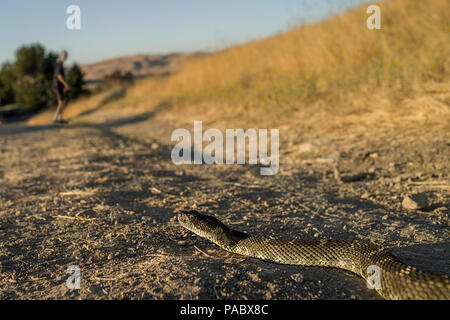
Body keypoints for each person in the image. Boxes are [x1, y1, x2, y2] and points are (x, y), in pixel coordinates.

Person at [52, 51, 70, 124]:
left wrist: (63, 86)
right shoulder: (59, 64)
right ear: (61, 56)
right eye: (64, 55)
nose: (65, 57)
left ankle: (60, 118)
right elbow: (59, 76)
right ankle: (55, 118)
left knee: (63, 101)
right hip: (57, 85)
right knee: (61, 102)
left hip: (59, 85)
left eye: (66, 55)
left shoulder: (61, 64)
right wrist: (65, 84)